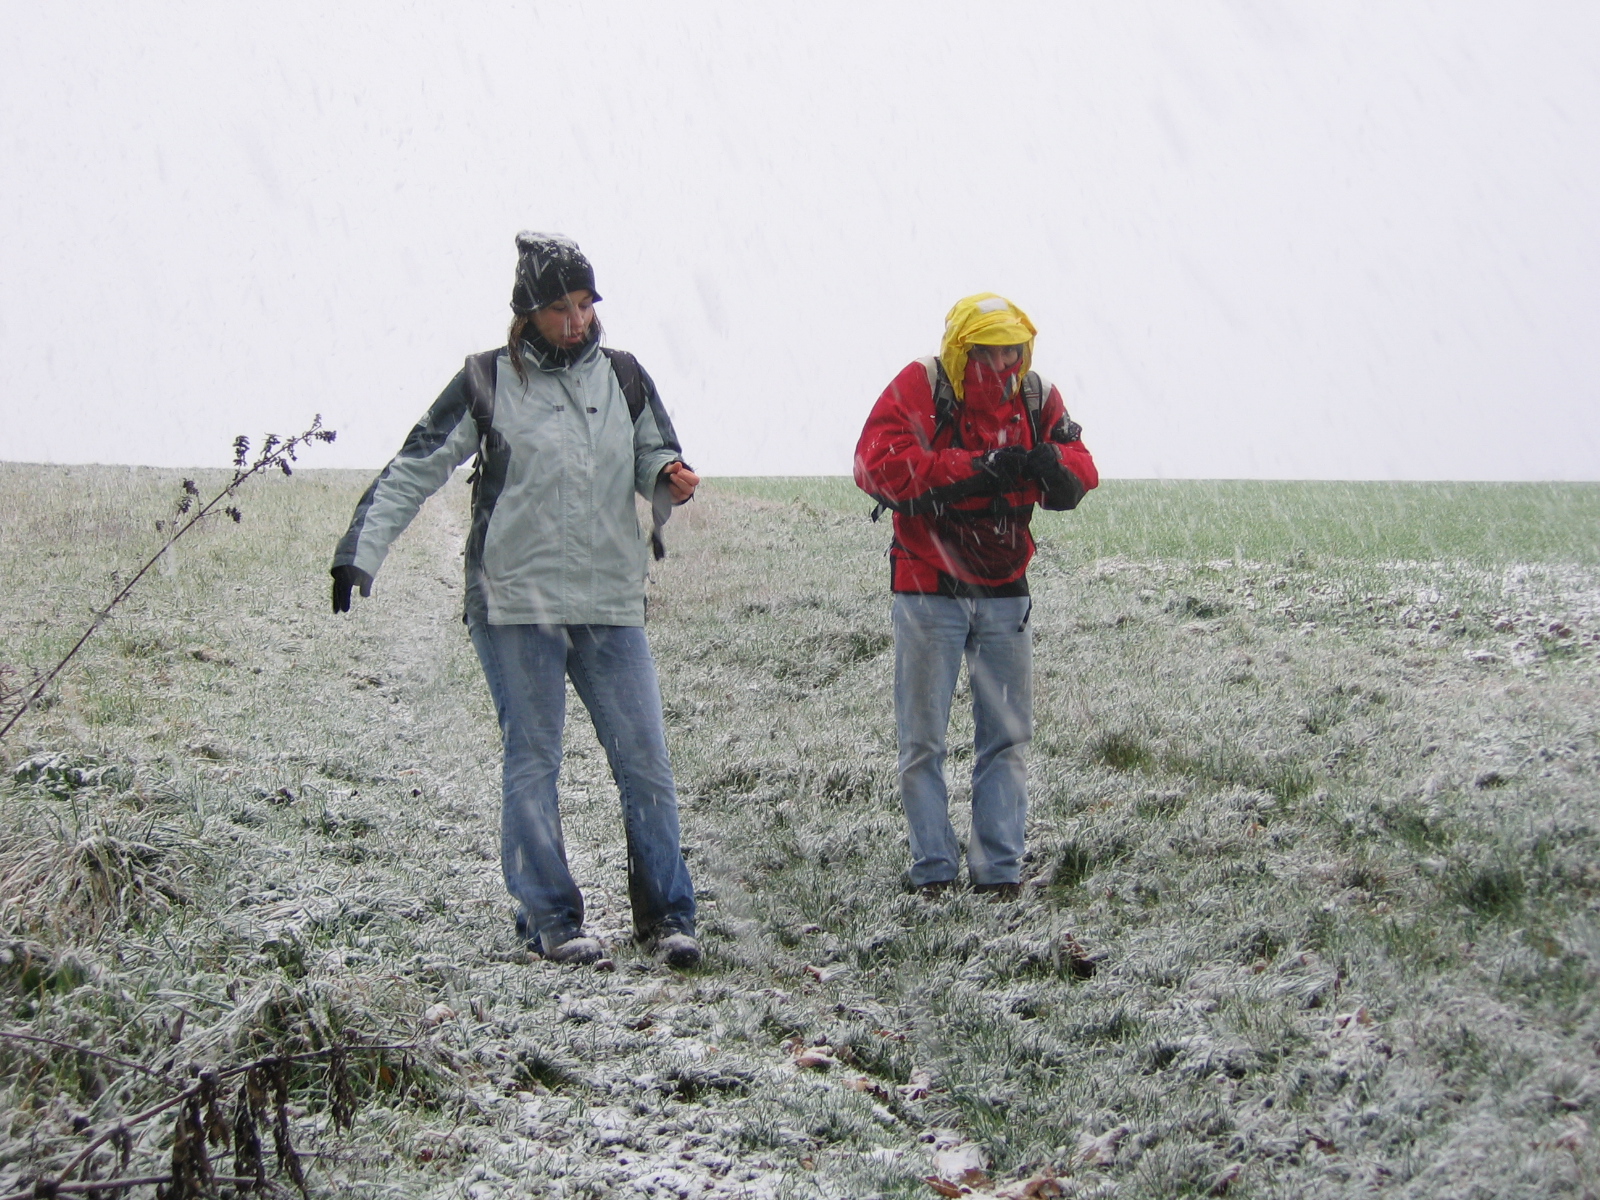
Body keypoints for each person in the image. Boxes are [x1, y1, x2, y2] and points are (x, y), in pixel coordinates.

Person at [329, 232, 702, 968]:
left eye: (585, 304)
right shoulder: (486, 379)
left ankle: (667, 919)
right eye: (561, 308)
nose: (577, 320)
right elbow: (418, 463)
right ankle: (551, 919)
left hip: (607, 600)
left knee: (646, 762)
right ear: (527, 311)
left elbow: (654, 452)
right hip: (512, 604)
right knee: (534, 759)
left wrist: (668, 476)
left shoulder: (625, 377)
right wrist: (360, 550)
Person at [854, 293, 1099, 899]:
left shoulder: (1037, 396)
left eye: (1014, 350)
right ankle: (933, 872)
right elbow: (875, 464)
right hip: (927, 589)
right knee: (923, 742)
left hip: (1006, 592)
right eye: (990, 352)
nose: (1005, 363)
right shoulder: (922, 385)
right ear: (963, 349)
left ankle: (999, 874)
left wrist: (1052, 462)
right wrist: (976, 467)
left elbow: (1082, 467)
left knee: (1007, 738)